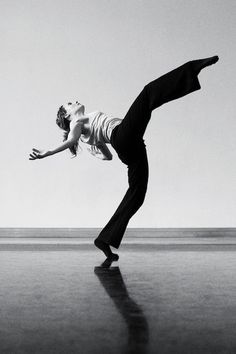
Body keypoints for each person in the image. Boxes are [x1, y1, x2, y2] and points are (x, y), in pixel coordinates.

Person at [29, 56, 219, 267]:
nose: (75, 101)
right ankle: (192, 69)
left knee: (137, 194)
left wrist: (97, 147)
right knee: (148, 94)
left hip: (130, 147)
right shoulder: (77, 122)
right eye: (70, 103)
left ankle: (104, 239)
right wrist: (48, 152)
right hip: (123, 137)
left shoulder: (86, 129)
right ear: (67, 114)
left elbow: (108, 156)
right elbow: (72, 139)